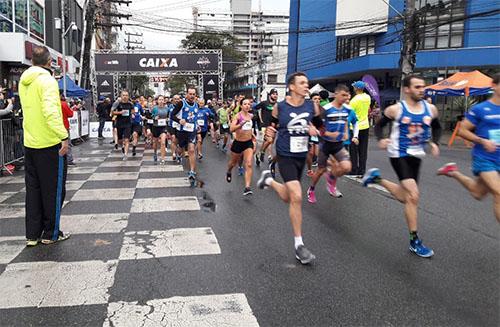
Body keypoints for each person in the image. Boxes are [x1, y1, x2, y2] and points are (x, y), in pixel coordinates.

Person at [362, 74, 442, 258]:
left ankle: (377, 179)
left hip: (417, 155)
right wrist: (382, 139)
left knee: (406, 197)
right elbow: (379, 126)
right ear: (407, 89)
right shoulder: (396, 110)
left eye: (423, 86)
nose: (421, 90)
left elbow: (437, 127)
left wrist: (435, 142)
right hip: (399, 153)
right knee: (413, 196)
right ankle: (414, 240)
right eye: (417, 87)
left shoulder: (430, 109)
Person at [257, 72, 322, 265]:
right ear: (292, 87)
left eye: (307, 83)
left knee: (288, 196)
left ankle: (268, 180)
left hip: (301, 156)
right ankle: (299, 245)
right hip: (285, 154)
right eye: (302, 83)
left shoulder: (313, 106)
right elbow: (273, 125)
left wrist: (314, 128)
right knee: (297, 195)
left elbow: (320, 125)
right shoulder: (280, 107)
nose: (306, 86)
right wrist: (270, 131)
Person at [19, 46, 70, 246]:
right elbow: (50, 112)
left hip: (30, 143)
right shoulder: (47, 81)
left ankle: (32, 234)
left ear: (32, 61)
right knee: (54, 191)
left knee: (33, 191)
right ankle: (51, 233)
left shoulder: (25, 81)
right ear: (49, 62)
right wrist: (63, 136)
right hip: (49, 144)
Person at [437, 73, 500, 222]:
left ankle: (453, 172)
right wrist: (482, 141)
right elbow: (462, 130)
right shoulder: (481, 109)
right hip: (484, 158)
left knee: (477, 193)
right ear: (494, 86)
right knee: (498, 193)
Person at [307, 84, 359, 203]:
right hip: (325, 144)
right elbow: (318, 127)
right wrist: (330, 134)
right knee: (320, 170)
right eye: (343, 95)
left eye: (347, 95)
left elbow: (347, 121)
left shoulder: (347, 109)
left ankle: (331, 179)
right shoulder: (326, 109)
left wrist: (347, 132)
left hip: (338, 145)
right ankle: (311, 189)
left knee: (346, 167)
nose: (346, 98)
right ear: (336, 94)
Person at [226, 97, 256, 195]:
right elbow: (231, 129)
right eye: (245, 104)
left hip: (248, 143)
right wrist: (240, 125)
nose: (247, 106)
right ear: (241, 106)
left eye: (249, 104)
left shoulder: (251, 116)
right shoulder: (238, 116)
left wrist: (253, 136)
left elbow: (250, 129)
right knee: (232, 163)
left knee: (249, 163)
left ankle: (247, 187)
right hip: (238, 143)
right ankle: (229, 171)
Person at [171, 87, 199, 185]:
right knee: (181, 149)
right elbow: (172, 115)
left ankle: (192, 171)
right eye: (190, 94)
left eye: (193, 94)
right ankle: (178, 154)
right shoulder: (181, 104)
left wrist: (197, 125)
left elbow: (195, 116)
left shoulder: (197, 104)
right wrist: (179, 120)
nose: (192, 96)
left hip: (192, 130)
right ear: (187, 94)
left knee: (191, 149)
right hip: (182, 130)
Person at [349, 81, 371, 176]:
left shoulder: (354, 100)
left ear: (357, 88)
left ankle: (354, 169)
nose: (353, 88)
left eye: (354, 87)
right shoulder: (368, 97)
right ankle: (362, 170)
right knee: (363, 150)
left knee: (353, 150)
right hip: (365, 126)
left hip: (355, 127)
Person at [255, 88, 279, 165]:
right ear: (270, 95)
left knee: (269, 142)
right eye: (273, 94)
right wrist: (259, 118)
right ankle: (263, 153)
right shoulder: (264, 103)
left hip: (274, 126)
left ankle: (259, 155)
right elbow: (254, 108)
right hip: (265, 125)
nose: (275, 95)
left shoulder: (278, 105)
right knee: (269, 140)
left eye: (276, 94)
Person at [112, 90, 134, 160]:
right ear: (121, 96)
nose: (125, 97)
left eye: (126, 95)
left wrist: (133, 114)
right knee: (120, 140)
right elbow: (112, 112)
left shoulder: (130, 104)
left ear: (128, 96)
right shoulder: (117, 103)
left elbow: (133, 111)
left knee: (127, 139)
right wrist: (120, 112)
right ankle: (122, 146)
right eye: (123, 95)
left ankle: (125, 155)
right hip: (119, 124)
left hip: (128, 124)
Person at [151, 95, 170, 164]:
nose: (161, 101)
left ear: (164, 101)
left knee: (162, 142)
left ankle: (162, 159)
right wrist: (154, 117)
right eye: (160, 99)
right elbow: (151, 116)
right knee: (155, 143)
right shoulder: (154, 108)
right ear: (157, 101)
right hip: (155, 126)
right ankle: (155, 153)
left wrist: (168, 119)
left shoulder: (166, 108)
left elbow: (169, 116)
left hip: (163, 127)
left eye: (162, 99)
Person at [60, 94, 75, 166]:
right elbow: (70, 114)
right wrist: (72, 109)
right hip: (64, 126)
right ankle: (69, 160)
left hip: (54, 126)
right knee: (67, 143)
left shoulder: (52, 104)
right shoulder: (63, 104)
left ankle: (59, 159)